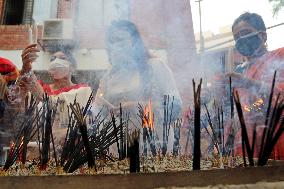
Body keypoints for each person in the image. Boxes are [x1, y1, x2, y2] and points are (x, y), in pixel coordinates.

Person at [92, 20, 182, 146]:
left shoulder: (155, 66)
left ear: (135, 42)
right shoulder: (108, 78)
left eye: (120, 40)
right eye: (112, 41)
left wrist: (138, 107)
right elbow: (97, 113)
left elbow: (175, 107)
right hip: (119, 146)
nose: (116, 46)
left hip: (155, 143)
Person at [228, 12, 284, 159]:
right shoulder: (241, 74)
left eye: (245, 33)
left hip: (278, 139)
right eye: (237, 37)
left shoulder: (280, 56)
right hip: (248, 147)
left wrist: (249, 83)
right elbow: (244, 111)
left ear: (263, 36)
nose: (241, 39)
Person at [19, 44, 92, 144]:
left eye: (62, 58)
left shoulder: (83, 90)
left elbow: (84, 121)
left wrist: (42, 96)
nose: (56, 61)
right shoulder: (42, 87)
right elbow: (20, 104)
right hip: (40, 147)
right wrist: (25, 68)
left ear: (72, 68)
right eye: (53, 59)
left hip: (70, 147)